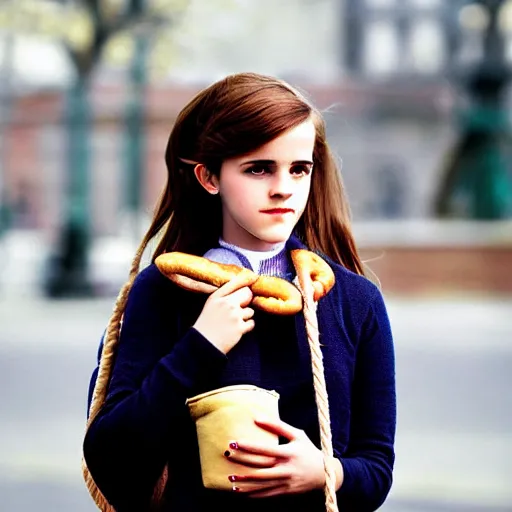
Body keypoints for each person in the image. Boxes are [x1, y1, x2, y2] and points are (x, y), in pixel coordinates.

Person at [83, 72, 396, 512]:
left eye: (299, 169)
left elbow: (377, 468)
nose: (283, 187)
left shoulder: (356, 302)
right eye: (258, 168)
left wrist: (326, 471)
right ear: (209, 177)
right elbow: (110, 460)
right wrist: (199, 346)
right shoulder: (162, 289)